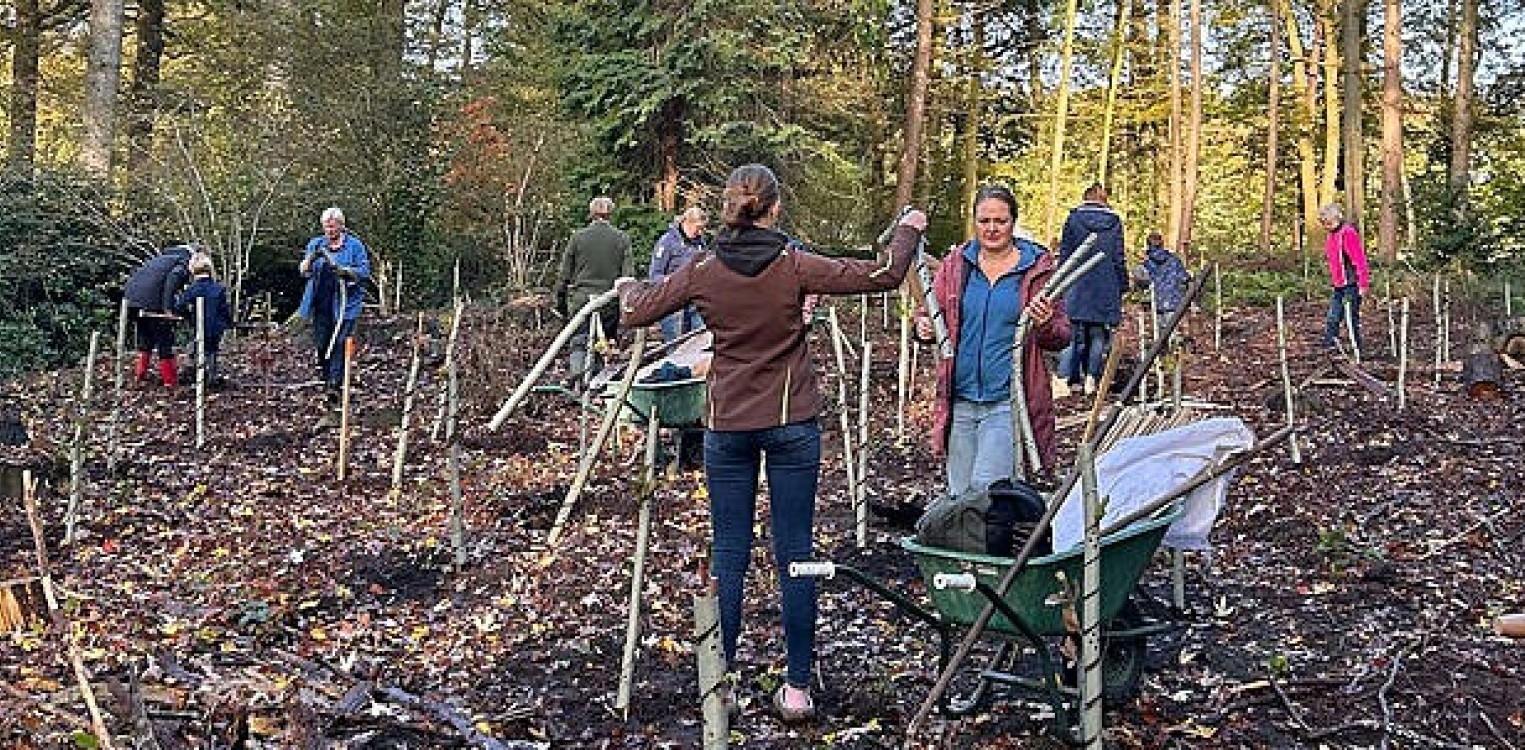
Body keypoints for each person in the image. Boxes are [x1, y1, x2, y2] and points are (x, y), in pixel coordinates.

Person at [615, 164, 926, 724]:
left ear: (728, 207)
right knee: (796, 555)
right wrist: (909, 228)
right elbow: (884, 272)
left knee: (729, 555)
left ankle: (722, 684)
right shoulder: (795, 265)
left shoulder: (704, 269)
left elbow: (637, 309)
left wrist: (624, 286)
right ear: (775, 208)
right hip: (791, 422)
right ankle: (798, 689)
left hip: (728, 426)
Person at [917, 185, 1070, 497]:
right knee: (959, 493)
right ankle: (967, 545)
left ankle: (987, 544)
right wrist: (924, 326)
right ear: (975, 222)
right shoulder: (957, 264)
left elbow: (1061, 335)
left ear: (1013, 222)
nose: (991, 229)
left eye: (1000, 221)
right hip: (959, 398)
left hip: (1006, 400)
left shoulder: (1036, 270)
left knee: (986, 490)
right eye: (984, 221)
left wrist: (1043, 324)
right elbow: (931, 311)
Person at [1056, 183, 1128, 395]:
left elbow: (1065, 255)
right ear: (1104, 200)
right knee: (1098, 335)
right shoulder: (1114, 222)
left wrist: (1060, 283)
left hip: (1076, 284)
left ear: (1084, 197)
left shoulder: (1073, 220)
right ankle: (1091, 380)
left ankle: (1063, 379)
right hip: (1105, 286)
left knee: (1072, 334)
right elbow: (1118, 257)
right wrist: (1122, 284)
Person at [555, 196, 632, 383]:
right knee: (604, 342)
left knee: (579, 340)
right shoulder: (622, 239)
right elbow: (628, 276)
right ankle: (598, 383)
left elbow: (564, 275)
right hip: (608, 302)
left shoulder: (578, 237)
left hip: (581, 301)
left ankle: (577, 378)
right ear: (610, 214)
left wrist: (561, 303)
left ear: (591, 214)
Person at [298, 207, 371, 402]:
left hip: (345, 304)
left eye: (333, 227)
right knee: (322, 343)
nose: (329, 231)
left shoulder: (354, 246)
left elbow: (364, 271)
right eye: (326, 227)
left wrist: (347, 272)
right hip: (321, 303)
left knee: (339, 343)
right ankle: (326, 375)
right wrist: (311, 259)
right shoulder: (316, 244)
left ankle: (335, 384)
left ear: (341, 225)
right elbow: (304, 271)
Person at [124, 243, 194, 388]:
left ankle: (140, 374)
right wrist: (168, 309)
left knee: (146, 338)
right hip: (152, 304)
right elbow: (172, 281)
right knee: (165, 340)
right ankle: (170, 381)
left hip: (132, 302)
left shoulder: (160, 259)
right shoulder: (183, 261)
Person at [648, 206, 709, 342]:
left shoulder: (700, 243)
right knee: (675, 345)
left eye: (702, 228)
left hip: (694, 301)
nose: (700, 232)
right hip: (673, 303)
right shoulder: (667, 242)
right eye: (698, 228)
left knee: (699, 342)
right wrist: (673, 281)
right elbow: (654, 274)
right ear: (687, 222)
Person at [175, 252, 235, 387]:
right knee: (212, 350)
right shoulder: (219, 289)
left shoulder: (192, 289)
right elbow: (224, 310)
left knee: (196, 349)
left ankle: (197, 377)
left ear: (193, 271)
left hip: (198, 325)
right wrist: (229, 323)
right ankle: (212, 377)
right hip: (216, 327)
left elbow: (178, 306)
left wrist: (188, 316)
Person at [1319, 203, 1370, 352]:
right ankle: (1329, 349)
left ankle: (1357, 351)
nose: (1326, 226)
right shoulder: (1331, 235)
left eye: (1328, 223)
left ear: (1336, 218)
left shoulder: (1347, 233)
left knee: (1350, 320)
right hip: (1339, 286)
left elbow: (1359, 260)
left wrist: (1363, 284)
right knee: (1333, 318)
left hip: (1351, 285)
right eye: (1324, 223)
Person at [1134, 231, 1191, 315]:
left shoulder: (1145, 265)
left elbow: (1142, 285)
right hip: (1175, 305)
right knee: (1172, 327)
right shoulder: (1175, 260)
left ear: (1148, 245)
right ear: (1162, 244)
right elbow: (1186, 279)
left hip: (1156, 306)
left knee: (1160, 327)